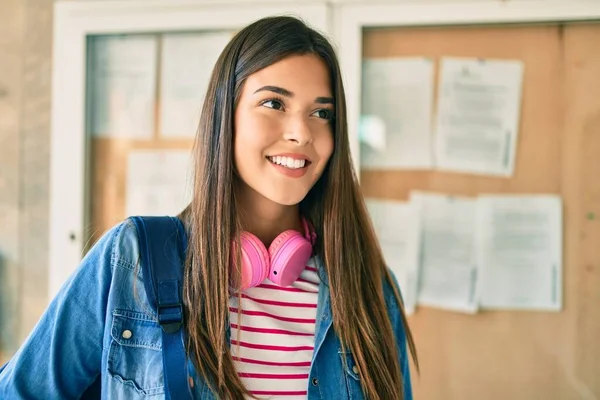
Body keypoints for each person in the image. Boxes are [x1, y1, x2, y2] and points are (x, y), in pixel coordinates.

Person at [0, 15, 418, 400]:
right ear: (226, 114)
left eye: (322, 113)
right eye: (274, 103)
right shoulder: (134, 260)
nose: (300, 133)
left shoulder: (370, 290)